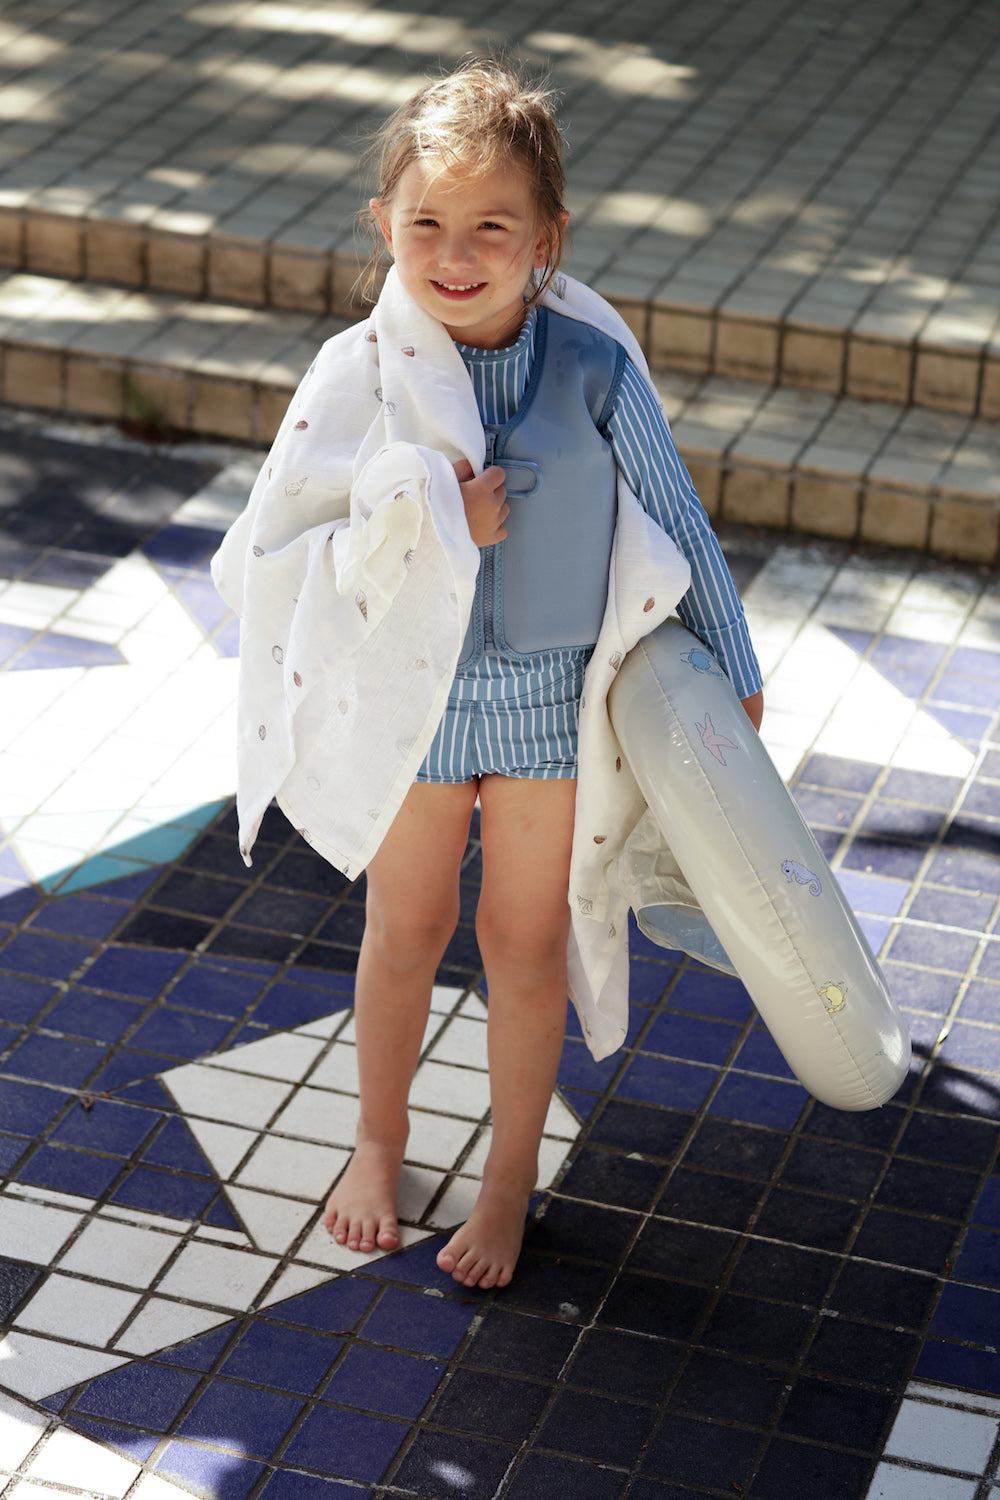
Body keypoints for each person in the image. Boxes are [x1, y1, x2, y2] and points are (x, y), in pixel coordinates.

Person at [214, 57, 763, 1293]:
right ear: (384, 227)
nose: (454, 256)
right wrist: (424, 516)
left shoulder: (592, 368)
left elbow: (675, 517)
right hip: (413, 709)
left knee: (524, 946)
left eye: (490, 230)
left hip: (548, 714)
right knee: (403, 928)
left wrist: (731, 667)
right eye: (425, 227)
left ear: (547, 240)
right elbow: (277, 543)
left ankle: (510, 1181)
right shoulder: (355, 376)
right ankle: (376, 1141)